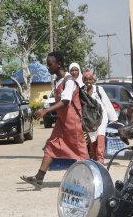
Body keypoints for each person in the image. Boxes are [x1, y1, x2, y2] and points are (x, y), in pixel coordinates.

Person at [20, 51, 88, 187]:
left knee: (81, 154)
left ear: (59, 64)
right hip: (62, 122)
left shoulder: (69, 81)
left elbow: (66, 101)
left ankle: (91, 180)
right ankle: (39, 178)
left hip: (73, 122)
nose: (48, 67)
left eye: (50, 64)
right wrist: (43, 108)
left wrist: (45, 111)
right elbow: (59, 101)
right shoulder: (58, 81)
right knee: (50, 146)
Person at [81, 68, 116, 163]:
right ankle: (93, 158)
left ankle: (100, 159)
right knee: (92, 139)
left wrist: (113, 118)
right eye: (86, 79)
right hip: (89, 119)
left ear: (93, 80)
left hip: (101, 117)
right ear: (83, 80)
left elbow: (106, 103)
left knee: (100, 136)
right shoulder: (81, 91)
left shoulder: (99, 89)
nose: (88, 81)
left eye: (90, 79)